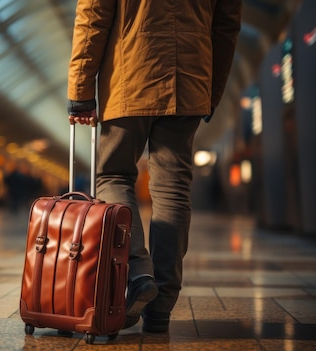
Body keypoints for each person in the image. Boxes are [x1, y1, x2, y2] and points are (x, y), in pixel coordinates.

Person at [67, 0, 241, 333]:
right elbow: (226, 27)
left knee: (113, 175)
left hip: (129, 76)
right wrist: (211, 91)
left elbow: (93, 17)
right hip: (189, 81)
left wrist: (81, 90)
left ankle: (137, 274)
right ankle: (161, 305)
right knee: (173, 188)